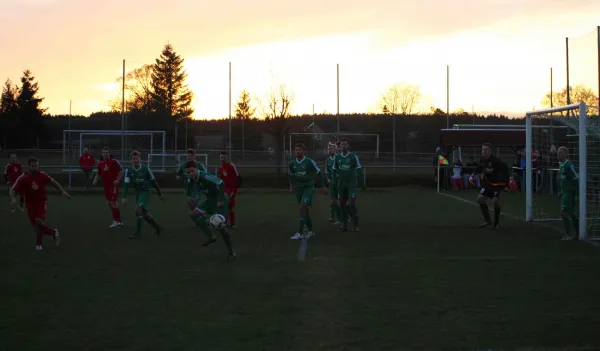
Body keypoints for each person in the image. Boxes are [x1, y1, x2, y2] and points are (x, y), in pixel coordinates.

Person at [10, 157, 71, 250]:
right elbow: (12, 190)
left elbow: (54, 182)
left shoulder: (41, 175)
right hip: (30, 203)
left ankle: (38, 245)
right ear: (28, 166)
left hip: (41, 202)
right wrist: (13, 199)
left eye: (36, 166)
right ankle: (53, 233)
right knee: (36, 227)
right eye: (33, 166)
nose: (35, 168)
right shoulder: (23, 177)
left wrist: (62, 191)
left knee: (38, 221)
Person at [185, 161, 236, 261]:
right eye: (188, 172)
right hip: (210, 201)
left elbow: (221, 183)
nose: (190, 174)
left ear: (196, 169)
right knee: (193, 215)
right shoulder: (192, 180)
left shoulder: (205, 176)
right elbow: (194, 191)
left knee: (221, 228)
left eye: (191, 171)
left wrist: (220, 199)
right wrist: (192, 198)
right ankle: (211, 236)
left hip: (220, 200)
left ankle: (231, 253)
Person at [121, 151, 164, 239]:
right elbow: (126, 184)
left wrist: (159, 193)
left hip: (146, 191)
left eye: (137, 158)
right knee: (145, 214)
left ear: (140, 159)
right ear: (131, 161)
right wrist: (124, 197)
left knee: (138, 209)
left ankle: (137, 233)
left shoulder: (145, 169)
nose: (136, 160)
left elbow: (153, 182)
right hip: (139, 192)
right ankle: (158, 228)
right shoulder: (128, 170)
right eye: (134, 159)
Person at [288, 143, 325, 240]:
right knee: (305, 209)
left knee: (303, 207)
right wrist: (292, 185)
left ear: (303, 151)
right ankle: (310, 230)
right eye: (296, 150)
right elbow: (290, 175)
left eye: (300, 149)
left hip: (308, 188)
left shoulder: (309, 162)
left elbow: (319, 173)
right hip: (298, 189)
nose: (298, 151)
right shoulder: (292, 163)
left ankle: (299, 232)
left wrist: (323, 186)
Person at [469, 143, 510, 229]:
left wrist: (506, 182)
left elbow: (505, 169)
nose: (484, 151)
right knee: (479, 200)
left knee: (495, 202)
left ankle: (496, 223)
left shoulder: (496, 161)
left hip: (497, 185)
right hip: (488, 185)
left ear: (490, 150)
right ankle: (487, 220)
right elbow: (479, 168)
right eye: (483, 150)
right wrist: (472, 175)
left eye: (486, 149)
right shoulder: (482, 160)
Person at [332, 138, 366, 232]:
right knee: (342, 205)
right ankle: (345, 225)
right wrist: (334, 182)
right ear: (340, 146)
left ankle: (356, 225)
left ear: (348, 146)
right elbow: (334, 170)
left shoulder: (353, 156)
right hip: (341, 184)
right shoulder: (337, 157)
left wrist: (362, 184)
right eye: (342, 144)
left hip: (351, 183)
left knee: (351, 204)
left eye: (345, 144)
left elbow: (359, 170)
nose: (343, 146)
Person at [93, 147, 123, 228]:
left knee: (112, 202)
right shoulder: (101, 164)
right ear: (102, 154)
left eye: (107, 152)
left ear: (109, 154)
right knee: (110, 203)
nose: (105, 154)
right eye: (104, 152)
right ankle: (116, 220)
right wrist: (95, 179)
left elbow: (120, 171)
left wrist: (117, 180)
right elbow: (98, 173)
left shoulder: (114, 161)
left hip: (113, 186)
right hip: (106, 186)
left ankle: (118, 221)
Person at [557, 146, 579, 240]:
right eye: (558, 153)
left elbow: (576, 178)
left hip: (570, 192)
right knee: (571, 213)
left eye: (561, 153)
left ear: (566, 154)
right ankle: (577, 234)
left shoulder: (569, 165)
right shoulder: (561, 164)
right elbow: (563, 179)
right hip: (565, 192)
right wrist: (560, 191)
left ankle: (568, 235)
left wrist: (577, 194)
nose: (559, 155)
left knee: (564, 213)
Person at [217, 152, 240, 228]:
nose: (223, 159)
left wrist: (235, 188)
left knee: (230, 206)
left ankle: (233, 223)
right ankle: (225, 222)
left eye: (224, 157)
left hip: (231, 189)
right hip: (224, 189)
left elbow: (237, 176)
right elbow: (220, 178)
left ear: (227, 158)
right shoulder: (220, 167)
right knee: (224, 206)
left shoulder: (231, 166)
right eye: (221, 157)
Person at [324, 142, 341, 224]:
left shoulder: (339, 158)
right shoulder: (327, 160)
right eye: (328, 149)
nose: (329, 150)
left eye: (331, 149)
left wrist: (339, 175)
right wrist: (328, 179)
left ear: (335, 149)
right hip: (332, 184)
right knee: (333, 202)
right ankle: (332, 216)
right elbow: (326, 171)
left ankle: (345, 216)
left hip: (340, 183)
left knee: (341, 201)